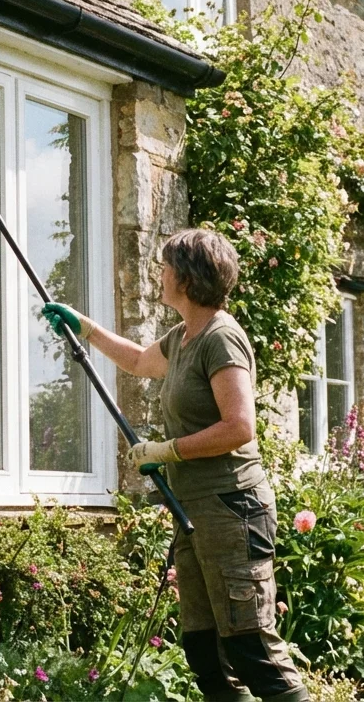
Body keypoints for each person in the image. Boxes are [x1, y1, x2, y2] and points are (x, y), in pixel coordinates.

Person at [42, 228, 309, 702]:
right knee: (205, 652)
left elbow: (240, 426)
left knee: (250, 645)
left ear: (185, 278)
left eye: (165, 267)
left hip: (232, 506)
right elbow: (141, 361)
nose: (159, 274)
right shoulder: (186, 336)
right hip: (196, 510)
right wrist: (83, 326)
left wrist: (167, 451)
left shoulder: (221, 338)